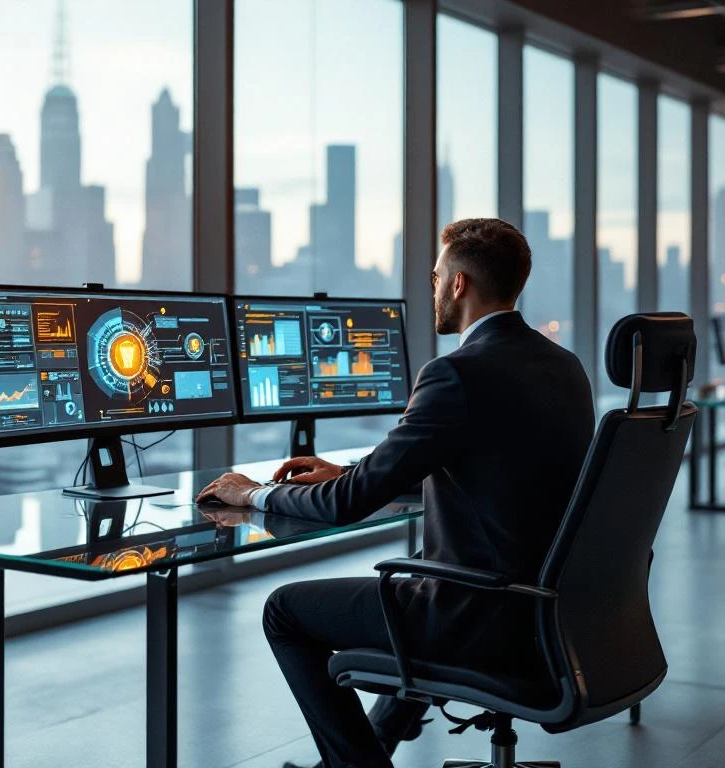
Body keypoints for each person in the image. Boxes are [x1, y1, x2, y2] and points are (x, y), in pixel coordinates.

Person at [197, 218, 595, 768]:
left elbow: (346, 507)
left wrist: (254, 494)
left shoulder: (456, 373)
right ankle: (376, 744)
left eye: (436, 276)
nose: (432, 288)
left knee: (284, 611)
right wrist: (350, 470)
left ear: (459, 284)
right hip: (551, 613)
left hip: (478, 619)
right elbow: (497, 466)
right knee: (414, 575)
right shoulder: (565, 367)